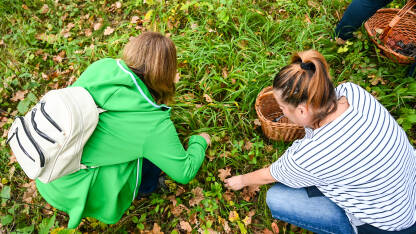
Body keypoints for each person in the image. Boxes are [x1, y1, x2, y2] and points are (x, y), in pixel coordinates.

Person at [225, 50, 416, 233]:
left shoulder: (312, 155)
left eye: (283, 107)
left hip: (387, 226)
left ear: (302, 110)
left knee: (277, 197)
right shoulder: (352, 92)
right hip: (407, 188)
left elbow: (270, 175)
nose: (282, 112)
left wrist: (241, 180)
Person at [36, 32, 211, 228]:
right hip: (73, 190)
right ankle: (147, 186)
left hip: (46, 166)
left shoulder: (103, 66)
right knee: (149, 159)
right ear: (167, 73)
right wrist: (200, 141)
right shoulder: (153, 123)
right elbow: (184, 172)